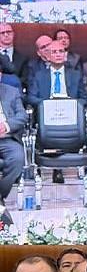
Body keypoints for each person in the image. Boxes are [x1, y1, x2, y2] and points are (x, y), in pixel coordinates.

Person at [25, 41, 82, 106]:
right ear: (48, 57)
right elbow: (31, 98)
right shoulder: (39, 76)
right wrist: (48, 103)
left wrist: (71, 103)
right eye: (54, 52)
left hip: (70, 110)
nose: (58, 55)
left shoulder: (76, 75)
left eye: (61, 51)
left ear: (65, 55)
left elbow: (83, 99)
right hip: (47, 110)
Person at [0, 81, 26, 224]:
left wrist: (6, 125)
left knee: (17, 158)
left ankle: (0, 196)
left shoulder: (12, 91)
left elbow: (22, 116)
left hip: (7, 137)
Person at [0, 22, 28, 89]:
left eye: (9, 32)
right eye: (2, 33)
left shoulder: (23, 58)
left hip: (16, 93)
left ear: (13, 34)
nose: (6, 35)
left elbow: (25, 80)